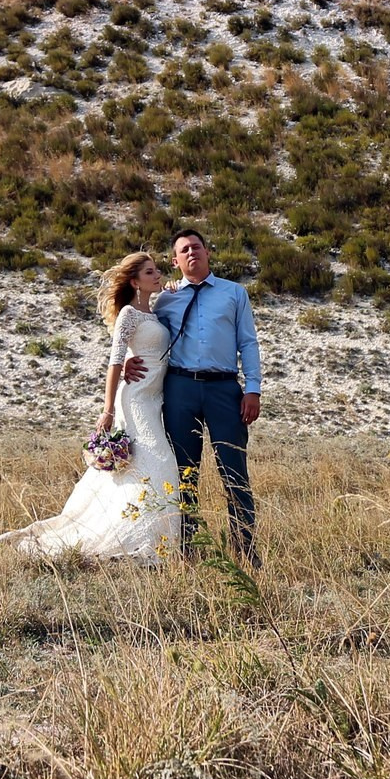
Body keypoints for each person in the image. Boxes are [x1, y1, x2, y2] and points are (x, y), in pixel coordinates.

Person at [0, 253, 181, 560]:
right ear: (135, 281)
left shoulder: (155, 311)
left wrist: (175, 286)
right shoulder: (128, 315)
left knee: (143, 468)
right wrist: (107, 409)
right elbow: (115, 359)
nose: (157, 274)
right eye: (150, 272)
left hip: (155, 400)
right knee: (160, 462)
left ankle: (153, 543)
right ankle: (145, 545)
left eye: (157, 270)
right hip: (134, 400)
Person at [129, 228, 262, 566]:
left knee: (234, 470)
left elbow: (248, 343)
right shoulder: (166, 299)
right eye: (184, 250)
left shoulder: (235, 294)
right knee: (185, 471)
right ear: (176, 261)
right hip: (180, 389)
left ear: (207, 253)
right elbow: (144, 332)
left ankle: (245, 550)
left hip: (224, 390)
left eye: (197, 247)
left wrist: (253, 389)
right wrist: (131, 357)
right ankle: (188, 548)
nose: (192, 253)